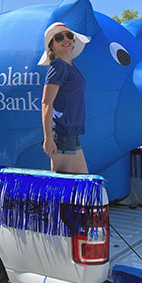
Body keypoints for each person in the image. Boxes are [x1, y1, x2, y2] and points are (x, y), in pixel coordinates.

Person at [38, 22, 90, 173]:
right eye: (59, 38)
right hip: (62, 131)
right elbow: (46, 103)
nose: (66, 39)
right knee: (61, 188)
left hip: (71, 131)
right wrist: (48, 139)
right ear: (52, 46)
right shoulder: (58, 66)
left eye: (69, 35)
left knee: (82, 183)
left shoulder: (70, 66)